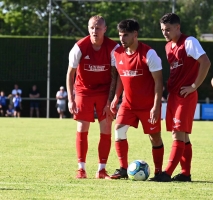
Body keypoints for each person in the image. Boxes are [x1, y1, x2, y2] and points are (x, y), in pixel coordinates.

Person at [153, 13, 211, 182]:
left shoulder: (189, 42)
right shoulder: (167, 46)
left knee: (178, 134)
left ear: (178, 27)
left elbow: (205, 62)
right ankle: (185, 173)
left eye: (168, 29)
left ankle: (167, 173)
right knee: (182, 136)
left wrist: (194, 86)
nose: (165, 33)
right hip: (173, 95)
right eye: (163, 30)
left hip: (186, 95)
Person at [109, 19, 164, 181]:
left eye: (125, 35)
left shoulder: (149, 54)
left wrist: (155, 106)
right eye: (120, 35)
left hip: (148, 105)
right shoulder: (117, 53)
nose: (122, 38)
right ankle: (123, 169)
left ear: (135, 34)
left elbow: (159, 82)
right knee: (118, 130)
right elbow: (120, 76)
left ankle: (159, 172)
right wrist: (116, 98)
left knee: (154, 137)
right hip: (128, 104)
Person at [66, 15, 119, 179]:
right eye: (91, 28)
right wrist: (70, 98)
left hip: (104, 91)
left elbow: (117, 76)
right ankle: (81, 169)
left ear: (105, 29)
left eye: (98, 28)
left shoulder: (113, 48)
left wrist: (111, 100)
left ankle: (101, 170)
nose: (94, 31)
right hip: (84, 90)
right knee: (82, 128)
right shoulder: (79, 47)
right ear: (88, 29)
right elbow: (70, 74)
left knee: (106, 128)